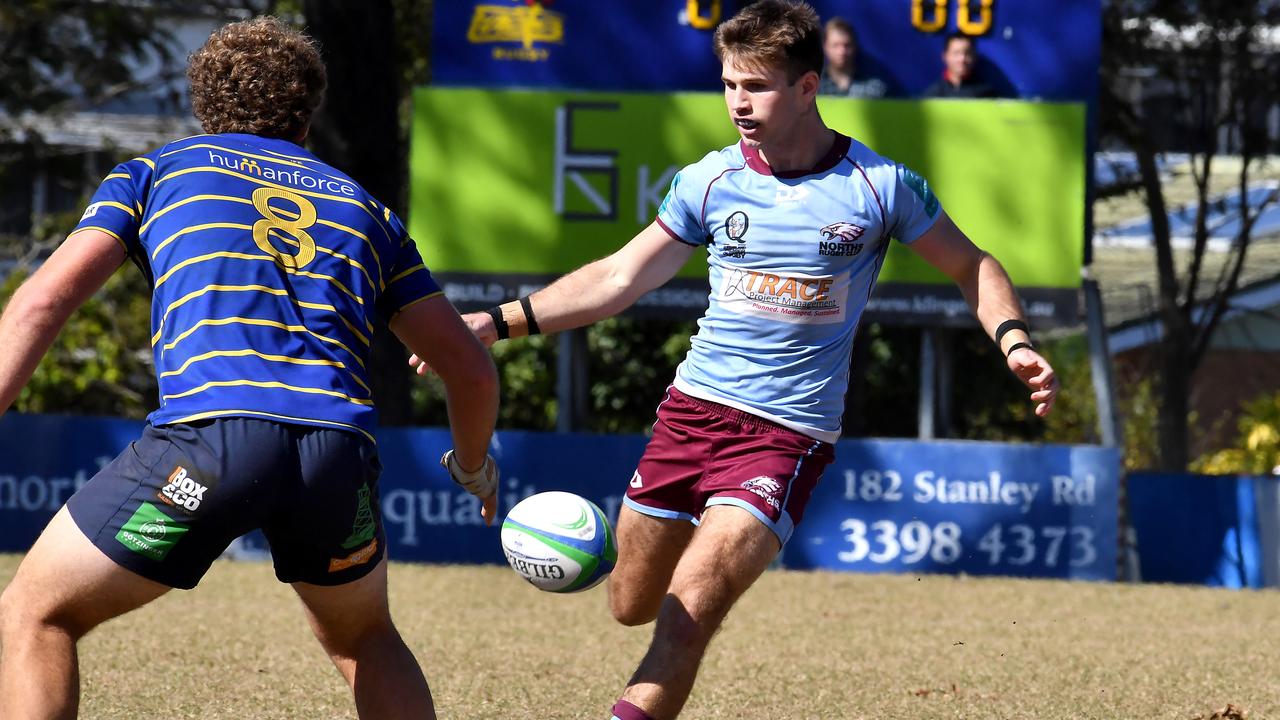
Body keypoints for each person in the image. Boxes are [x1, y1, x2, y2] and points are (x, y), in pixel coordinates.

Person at [414, 1, 1057, 718]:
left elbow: (974, 266)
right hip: (690, 416)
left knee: (687, 613)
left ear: (809, 87)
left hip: (786, 438)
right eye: (728, 85)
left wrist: (1016, 341)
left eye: (756, 86)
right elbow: (619, 279)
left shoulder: (880, 187)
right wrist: (492, 324)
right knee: (630, 602)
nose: (737, 103)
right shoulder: (711, 181)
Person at [0, 17, 499, 720]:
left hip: (210, 446)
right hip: (335, 456)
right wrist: (473, 466)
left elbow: (41, 305)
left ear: (204, 100)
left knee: (34, 613)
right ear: (308, 107)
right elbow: (470, 370)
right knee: (364, 636)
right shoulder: (367, 210)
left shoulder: (158, 172)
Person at [818, 17, 888, 98]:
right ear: (825, 47)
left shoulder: (875, 89)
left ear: (855, 46)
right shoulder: (813, 88)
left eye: (847, 45)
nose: (842, 52)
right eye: (835, 45)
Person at [922, 31, 999, 98]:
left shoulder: (986, 95)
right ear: (945, 56)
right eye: (956, 53)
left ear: (974, 56)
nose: (962, 59)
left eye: (968, 53)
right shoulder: (932, 95)